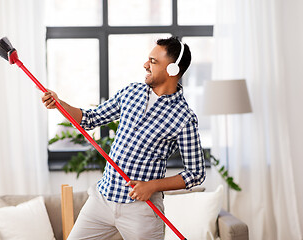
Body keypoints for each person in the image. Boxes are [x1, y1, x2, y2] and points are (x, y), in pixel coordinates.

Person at [42, 36, 206, 240]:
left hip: (142, 211)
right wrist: (60, 103)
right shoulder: (131, 92)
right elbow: (90, 118)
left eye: (153, 61)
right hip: (103, 199)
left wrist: (152, 186)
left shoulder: (184, 117)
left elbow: (196, 173)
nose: (145, 65)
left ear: (172, 70)